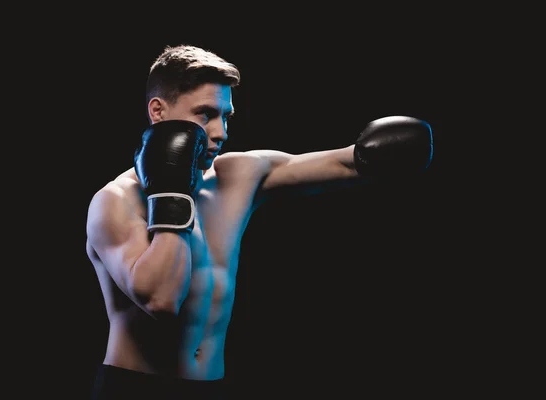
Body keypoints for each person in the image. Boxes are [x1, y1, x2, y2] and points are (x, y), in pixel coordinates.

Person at [86, 44, 434, 399]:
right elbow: (162, 299)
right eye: (205, 114)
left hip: (212, 386)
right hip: (134, 388)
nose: (220, 132)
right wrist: (172, 192)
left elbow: (346, 163)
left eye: (226, 117)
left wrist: (379, 153)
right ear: (158, 111)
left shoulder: (238, 176)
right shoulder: (115, 201)